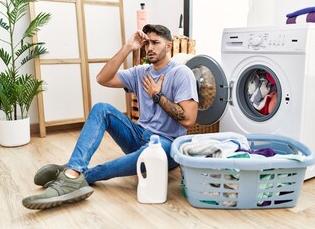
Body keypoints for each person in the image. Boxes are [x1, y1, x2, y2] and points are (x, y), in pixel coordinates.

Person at [22, 24, 199, 210]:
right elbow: (102, 79)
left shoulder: (181, 74)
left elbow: (188, 119)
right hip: (139, 134)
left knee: (148, 153)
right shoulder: (141, 72)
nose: (150, 48)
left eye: (156, 43)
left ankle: (75, 176)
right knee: (101, 109)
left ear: (169, 46)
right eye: (148, 43)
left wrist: (157, 96)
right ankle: (74, 169)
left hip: (165, 145)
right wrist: (128, 47)